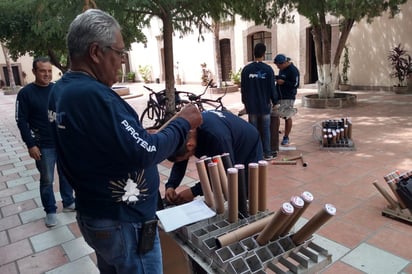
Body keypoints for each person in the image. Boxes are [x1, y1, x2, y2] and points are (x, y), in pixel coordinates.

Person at [48, 9, 202, 274]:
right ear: (96, 52)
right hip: (124, 223)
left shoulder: (61, 90)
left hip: (97, 215)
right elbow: (147, 151)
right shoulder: (94, 96)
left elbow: (112, 144)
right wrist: (182, 122)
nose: (121, 62)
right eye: (119, 53)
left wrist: (144, 138)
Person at [15, 57, 75, 228]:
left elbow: (65, 112)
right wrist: (30, 144)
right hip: (43, 145)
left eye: (49, 71)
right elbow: (21, 121)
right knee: (47, 179)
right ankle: (50, 210)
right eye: (42, 71)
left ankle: (69, 201)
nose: (47, 74)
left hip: (61, 142)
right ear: (34, 72)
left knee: (66, 174)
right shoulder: (25, 93)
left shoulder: (57, 89)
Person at [164, 110, 263, 205]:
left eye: (185, 157)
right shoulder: (184, 133)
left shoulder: (216, 138)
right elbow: (180, 160)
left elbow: (223, 172)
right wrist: (171, 185)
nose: (184, 160)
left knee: (243, 189)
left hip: (248, 143)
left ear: (190, 146)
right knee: (225, 187)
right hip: (228, 137)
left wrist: (194, 191)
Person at [240, 43, 278, 160]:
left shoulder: (246, 70)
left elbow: (243, 89)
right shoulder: (268, 70)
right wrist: (275, 101)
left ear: (254, 53)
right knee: (266, 130)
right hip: (264, 106)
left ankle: (255, 154)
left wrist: (245, 103)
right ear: (264, 54)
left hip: (251, 106)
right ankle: (267, 153)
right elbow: (272, 87)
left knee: (253, 130)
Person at [274, 54, 300, 146]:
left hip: (288, 97)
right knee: (276, 115)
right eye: (277, 65)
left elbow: (296, 84)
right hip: (279, 96)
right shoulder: (282, 69)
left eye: (279, 65)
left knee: (286, 116)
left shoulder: (293, 71)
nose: (278, 67)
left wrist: (284, 82)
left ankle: (286, 137)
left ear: (285, 62)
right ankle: (275, 132)